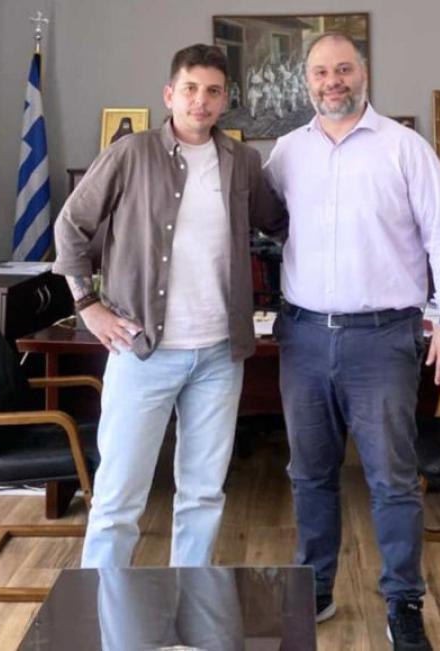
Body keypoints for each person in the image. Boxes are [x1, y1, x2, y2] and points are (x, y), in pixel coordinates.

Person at [264, 33, 440, 651]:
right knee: (309, 474)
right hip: (303, 337)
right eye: (320, 72)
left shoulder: (405, 148)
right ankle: (316, 589)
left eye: (343, 69)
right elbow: (261, 226)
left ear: (364, 73)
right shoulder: (285, 153)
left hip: (383, 341)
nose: (332, 81)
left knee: (392, 480)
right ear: (306, 81)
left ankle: (403, 603)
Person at [53, 43, 284, 570]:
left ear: (225, 100)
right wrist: (87, 303)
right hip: (143, 352)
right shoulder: (131, 154)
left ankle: (189, 602)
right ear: (169, 94)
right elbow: (71, 225)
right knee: (118, 497)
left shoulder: (243, 163)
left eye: (213, 91)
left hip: (220, 355)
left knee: (203, 494)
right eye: (190, 89)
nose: (201, 101)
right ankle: (103, 606)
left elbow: (281, 225)